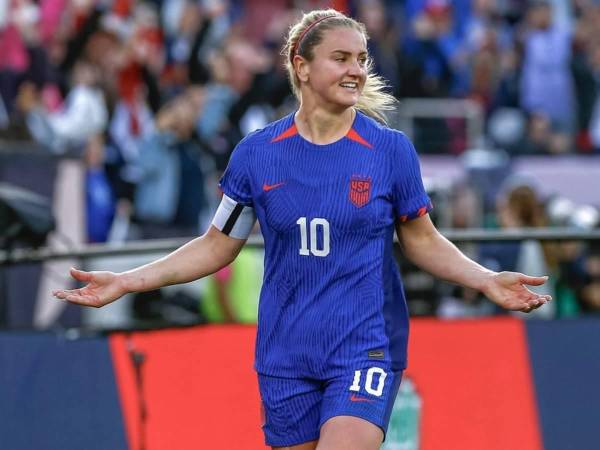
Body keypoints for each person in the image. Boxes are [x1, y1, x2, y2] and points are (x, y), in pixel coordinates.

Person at [53, 9, 552, 450]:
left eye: (361, 58)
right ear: (301, 65)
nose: (356, 69)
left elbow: (421, 238)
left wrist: (485, 278)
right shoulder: (256, 154)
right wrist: (126, 281)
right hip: (286, 350)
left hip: (365, 344)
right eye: (341, 58)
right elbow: (215, 246)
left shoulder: (391, 150)